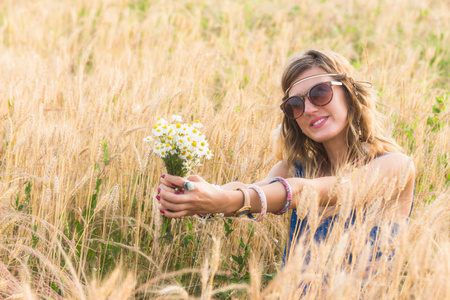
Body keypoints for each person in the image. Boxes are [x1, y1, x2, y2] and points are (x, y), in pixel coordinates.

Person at [156, 49, 415, 264]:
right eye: (296, 105)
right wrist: (202, 193)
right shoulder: (295, 168)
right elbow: (251, 190)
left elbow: (306, 191)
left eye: (320, 93)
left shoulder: (395, 167)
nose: (310, 109)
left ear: (348, 92)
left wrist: (224, 201)